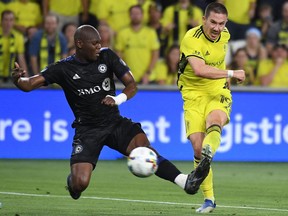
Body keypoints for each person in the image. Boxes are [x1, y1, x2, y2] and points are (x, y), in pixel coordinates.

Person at [11, 24, 201, 202]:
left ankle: (184, 181)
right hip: (87, 130)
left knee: (145, 149)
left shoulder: (107, 56)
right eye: (94, 43)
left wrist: (117, 99)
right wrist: (18, 80)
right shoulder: (63, 69)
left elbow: (132, 85)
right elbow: (28, 85)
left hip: (114, 122)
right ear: (79, 44)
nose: (99, 46)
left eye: (100, 42)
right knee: (80, 184)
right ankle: (73, 183)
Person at [177, 2, 245, 213]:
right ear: (203, 20)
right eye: (213, 22)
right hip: (192, 95)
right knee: (197, 147)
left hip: (217, 92)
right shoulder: (191, 38)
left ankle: (209, 152)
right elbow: (199, 69)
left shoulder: (225, 35)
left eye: (222, 23)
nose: (217, 28)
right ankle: (209, 199)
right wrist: (232, 74)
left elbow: (218, 61)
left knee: (215, 121)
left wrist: (226, 80)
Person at [115, 5, 159, 84]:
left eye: (138, 13)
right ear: (129, 15)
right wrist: (125, 73)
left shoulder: (151, 32)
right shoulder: (122, 33)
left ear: (142, 15)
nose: (135, 16)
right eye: (133, 13)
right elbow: (118, 55)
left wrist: (147, 73)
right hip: (128, 77)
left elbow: (155, 54)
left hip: (148, 78)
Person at [0, 10, 28, 84]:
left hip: (10, 75)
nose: (8, 23)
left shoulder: (18, 37)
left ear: (14, 22)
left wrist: (28, 79)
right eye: (6, 20)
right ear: (1, 21)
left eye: (11, 20)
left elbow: (21, 58)